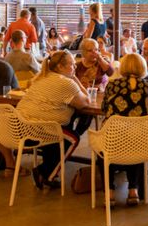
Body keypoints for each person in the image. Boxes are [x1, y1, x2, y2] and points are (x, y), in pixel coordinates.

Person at [15, 50, 91, 188]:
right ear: (60, 67)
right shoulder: (66, 83)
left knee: (64, 127)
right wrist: (76, 79)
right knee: (73, 137)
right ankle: (45, 172)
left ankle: (51, 168)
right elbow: (86, 102)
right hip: (39, 129)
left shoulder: (40, 78)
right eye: (72, 65)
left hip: (19, 127)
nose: (74, 67)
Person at [101, 53, 148, 206]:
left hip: (114, 137)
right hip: (141, 139)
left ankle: (110, 192)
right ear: (142, 67)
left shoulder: (112, 85)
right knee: (134, 141)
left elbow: (104, 109)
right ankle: (133, 191)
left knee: (104, 150)